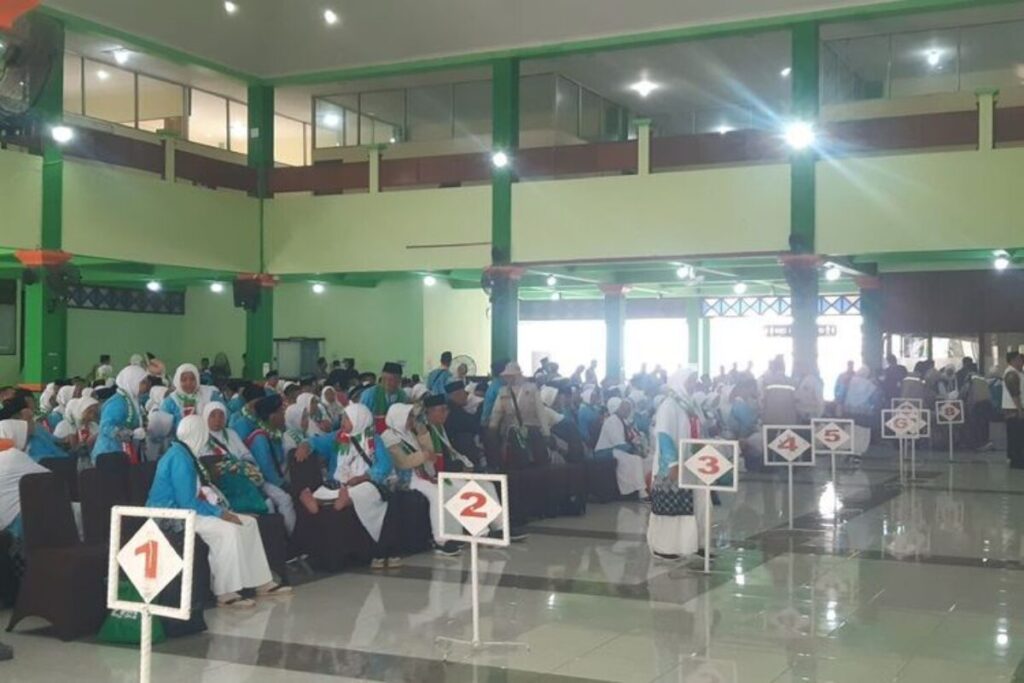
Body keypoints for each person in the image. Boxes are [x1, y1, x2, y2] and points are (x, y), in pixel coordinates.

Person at [147, 415, 290, 608]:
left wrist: (225, 511)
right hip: (172, 515)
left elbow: (200, 495)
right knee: (226, 531)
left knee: (248, 523)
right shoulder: (179, 458)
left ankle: (260, 582)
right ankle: (225, 592)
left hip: (189, 510)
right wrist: (221, 514)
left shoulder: (187, 454)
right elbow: (187, 502)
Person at [376, 403, 460, 556]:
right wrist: (424, 455)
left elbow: (430, 452)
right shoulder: (389, 438)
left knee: (450, 489)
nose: (412, 420)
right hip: (405, 479)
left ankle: (454, 534)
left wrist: (423, 433)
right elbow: (403, 462)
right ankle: (440, 540)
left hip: (420, 474)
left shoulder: (408, 433)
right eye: (409, 417)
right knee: (436, 494)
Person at [203, 402, 296, 534]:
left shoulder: (231, 434)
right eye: (213, 415)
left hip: (250, 477)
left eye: (221, 415)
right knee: (267, 504)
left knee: (285, 499)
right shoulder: (203, 439)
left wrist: (242, 466)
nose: (217, 419)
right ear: (205, 417)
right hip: (230, 487)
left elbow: (247, 455)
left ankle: (288, 537)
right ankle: (272, 540)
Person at [335, 403, 402, 569]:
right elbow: (338, 466)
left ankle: (346, 500)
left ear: (358, 420)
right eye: (343, 418)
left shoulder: (374, 440)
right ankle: (344, 498)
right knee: (347, 492)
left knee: (363, 492)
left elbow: (385, 465)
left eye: (346, 419)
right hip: (348, 484)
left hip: (372, 482)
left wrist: (363, 477)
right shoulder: (342, 439)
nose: (342, 422)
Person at [648, 369, 702, 561]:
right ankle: (664, 547)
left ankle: (688, 544)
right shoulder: (669, 405)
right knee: (669, 506)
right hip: (672, 464)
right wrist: (672, 463)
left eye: (694, 381)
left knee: (688, 505)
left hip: (690, 463)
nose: (693, 384)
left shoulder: (688, 405)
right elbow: (664, 435)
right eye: (690, 381)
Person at [486, 362, 551, 469]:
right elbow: (497, 411)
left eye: (511, 376)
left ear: (518, 375)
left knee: (538, 458)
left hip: (532, 427)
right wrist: (493, 426)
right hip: (511, 430)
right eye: (507, 376)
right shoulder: (503, 392)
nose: (508, 379)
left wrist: (546, 432)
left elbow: (540, 412)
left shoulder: (532, 389)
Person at [0, 419, 50, 543]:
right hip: (24, 523)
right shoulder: (12, 455)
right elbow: (50, 477)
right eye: (26, 437)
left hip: (5, 530)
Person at [91, 365, 150, 464]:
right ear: (132, 382)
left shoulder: (134, 400)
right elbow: (106, 427)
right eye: (143, 382)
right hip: (109, 453)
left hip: (124, 453)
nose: (146, 386)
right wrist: (131, 434)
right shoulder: (117, 402)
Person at [595, 397, 648, 499]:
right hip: (605, 451)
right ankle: (640, 491)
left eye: (628, 408)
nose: (627, 411)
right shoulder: (612, 421)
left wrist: (638, 448)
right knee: (635, 459)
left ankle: (645, 487)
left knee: (645, 459)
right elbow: (619, 443)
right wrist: (634, 450)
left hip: (618, 450)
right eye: (624, 408)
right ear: (617, 408)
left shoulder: (623, 421)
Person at [162, 363, 221, 431]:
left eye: (192, 379)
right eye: (184, 380)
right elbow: (163, 427)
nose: (189, 383)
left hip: (208, 435)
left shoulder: (209, 394)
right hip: (179, 437)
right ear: (178, 381)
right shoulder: (171, 401)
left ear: (197, 379)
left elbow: (224, 415)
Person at [444, 381, 483, 468]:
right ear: (456, 395)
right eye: (464, 393)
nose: (466, 396)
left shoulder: (454, 408)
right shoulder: (454, 412)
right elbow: (473, 425)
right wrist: (480, 409)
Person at [360, 362, 408, 433]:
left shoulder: (402, 395)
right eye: (384, 379)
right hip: (373, 434)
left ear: (399, 380)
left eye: (391, 380)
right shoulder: (370, 394)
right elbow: (361, 418)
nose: (387, 383)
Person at [1003, 351, 1024, 468]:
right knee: (1016, 436)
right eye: (1019, 359)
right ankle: (1016, 461)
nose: (1021, 361)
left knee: (1019, 435)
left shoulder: (1018, 372)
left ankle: (1017, 457)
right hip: (1013, 410)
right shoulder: (1011, 374)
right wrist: (1020, 410)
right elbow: (1014, 393)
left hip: (1017, 409)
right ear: (1012, 360)